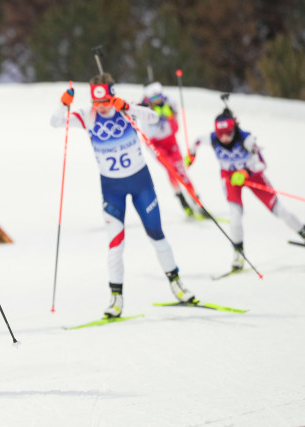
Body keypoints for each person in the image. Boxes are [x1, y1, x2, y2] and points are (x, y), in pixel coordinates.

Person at [50, 73, 196, 318]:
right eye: (97, 103)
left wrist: (128, 107)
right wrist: (64, 103)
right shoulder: (87, 116)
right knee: (115, 245)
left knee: (157, 235)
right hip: (112, 189)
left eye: (106, 101)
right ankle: (116, 299)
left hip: (141, 184)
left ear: (113, 95)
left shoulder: (126, 109)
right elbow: (56, 122)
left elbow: (154, 116)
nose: (102, 107)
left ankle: (177, 285)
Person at [185, 107, 305, 270]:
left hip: (253, 176)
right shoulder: (212, 138)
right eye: (220, 134)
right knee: (235, 217)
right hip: (231, 180)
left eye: (229, 133)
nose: (224, 138)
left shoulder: (246, 140)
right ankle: (238, 254)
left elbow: (262, 163)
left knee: (279, 210)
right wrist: (191, 155)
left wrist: (245, 172)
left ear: (234, 129)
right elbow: (196, 142)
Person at [139, 82, 202, 218]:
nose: (158, 100)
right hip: (156, 145)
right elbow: (150, 134)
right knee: (172, 170)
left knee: (181, 170)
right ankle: (182, 200)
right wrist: (157, 118)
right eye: (154, 99)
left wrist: (169, 117)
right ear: (148, 99)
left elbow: (175, 129)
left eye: (159, 97)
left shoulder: (170, 104)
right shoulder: (145, 110)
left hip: (171, 142)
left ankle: (196, 201)